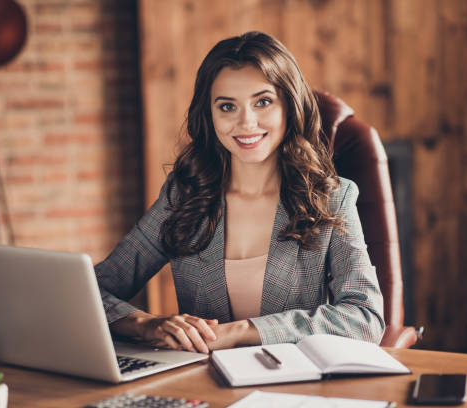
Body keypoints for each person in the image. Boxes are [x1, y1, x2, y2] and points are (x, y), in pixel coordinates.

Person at [95, 31, 384, 354]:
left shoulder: (330, 198)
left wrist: (243, 331)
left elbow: (364, 317)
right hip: (202, 386)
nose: (246, 122)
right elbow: (92, 291)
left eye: (263, 102)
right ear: (210, 115)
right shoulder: (184, 195)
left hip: (291, 390)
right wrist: (145, 324)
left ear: (289, 105)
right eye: (227, 106)